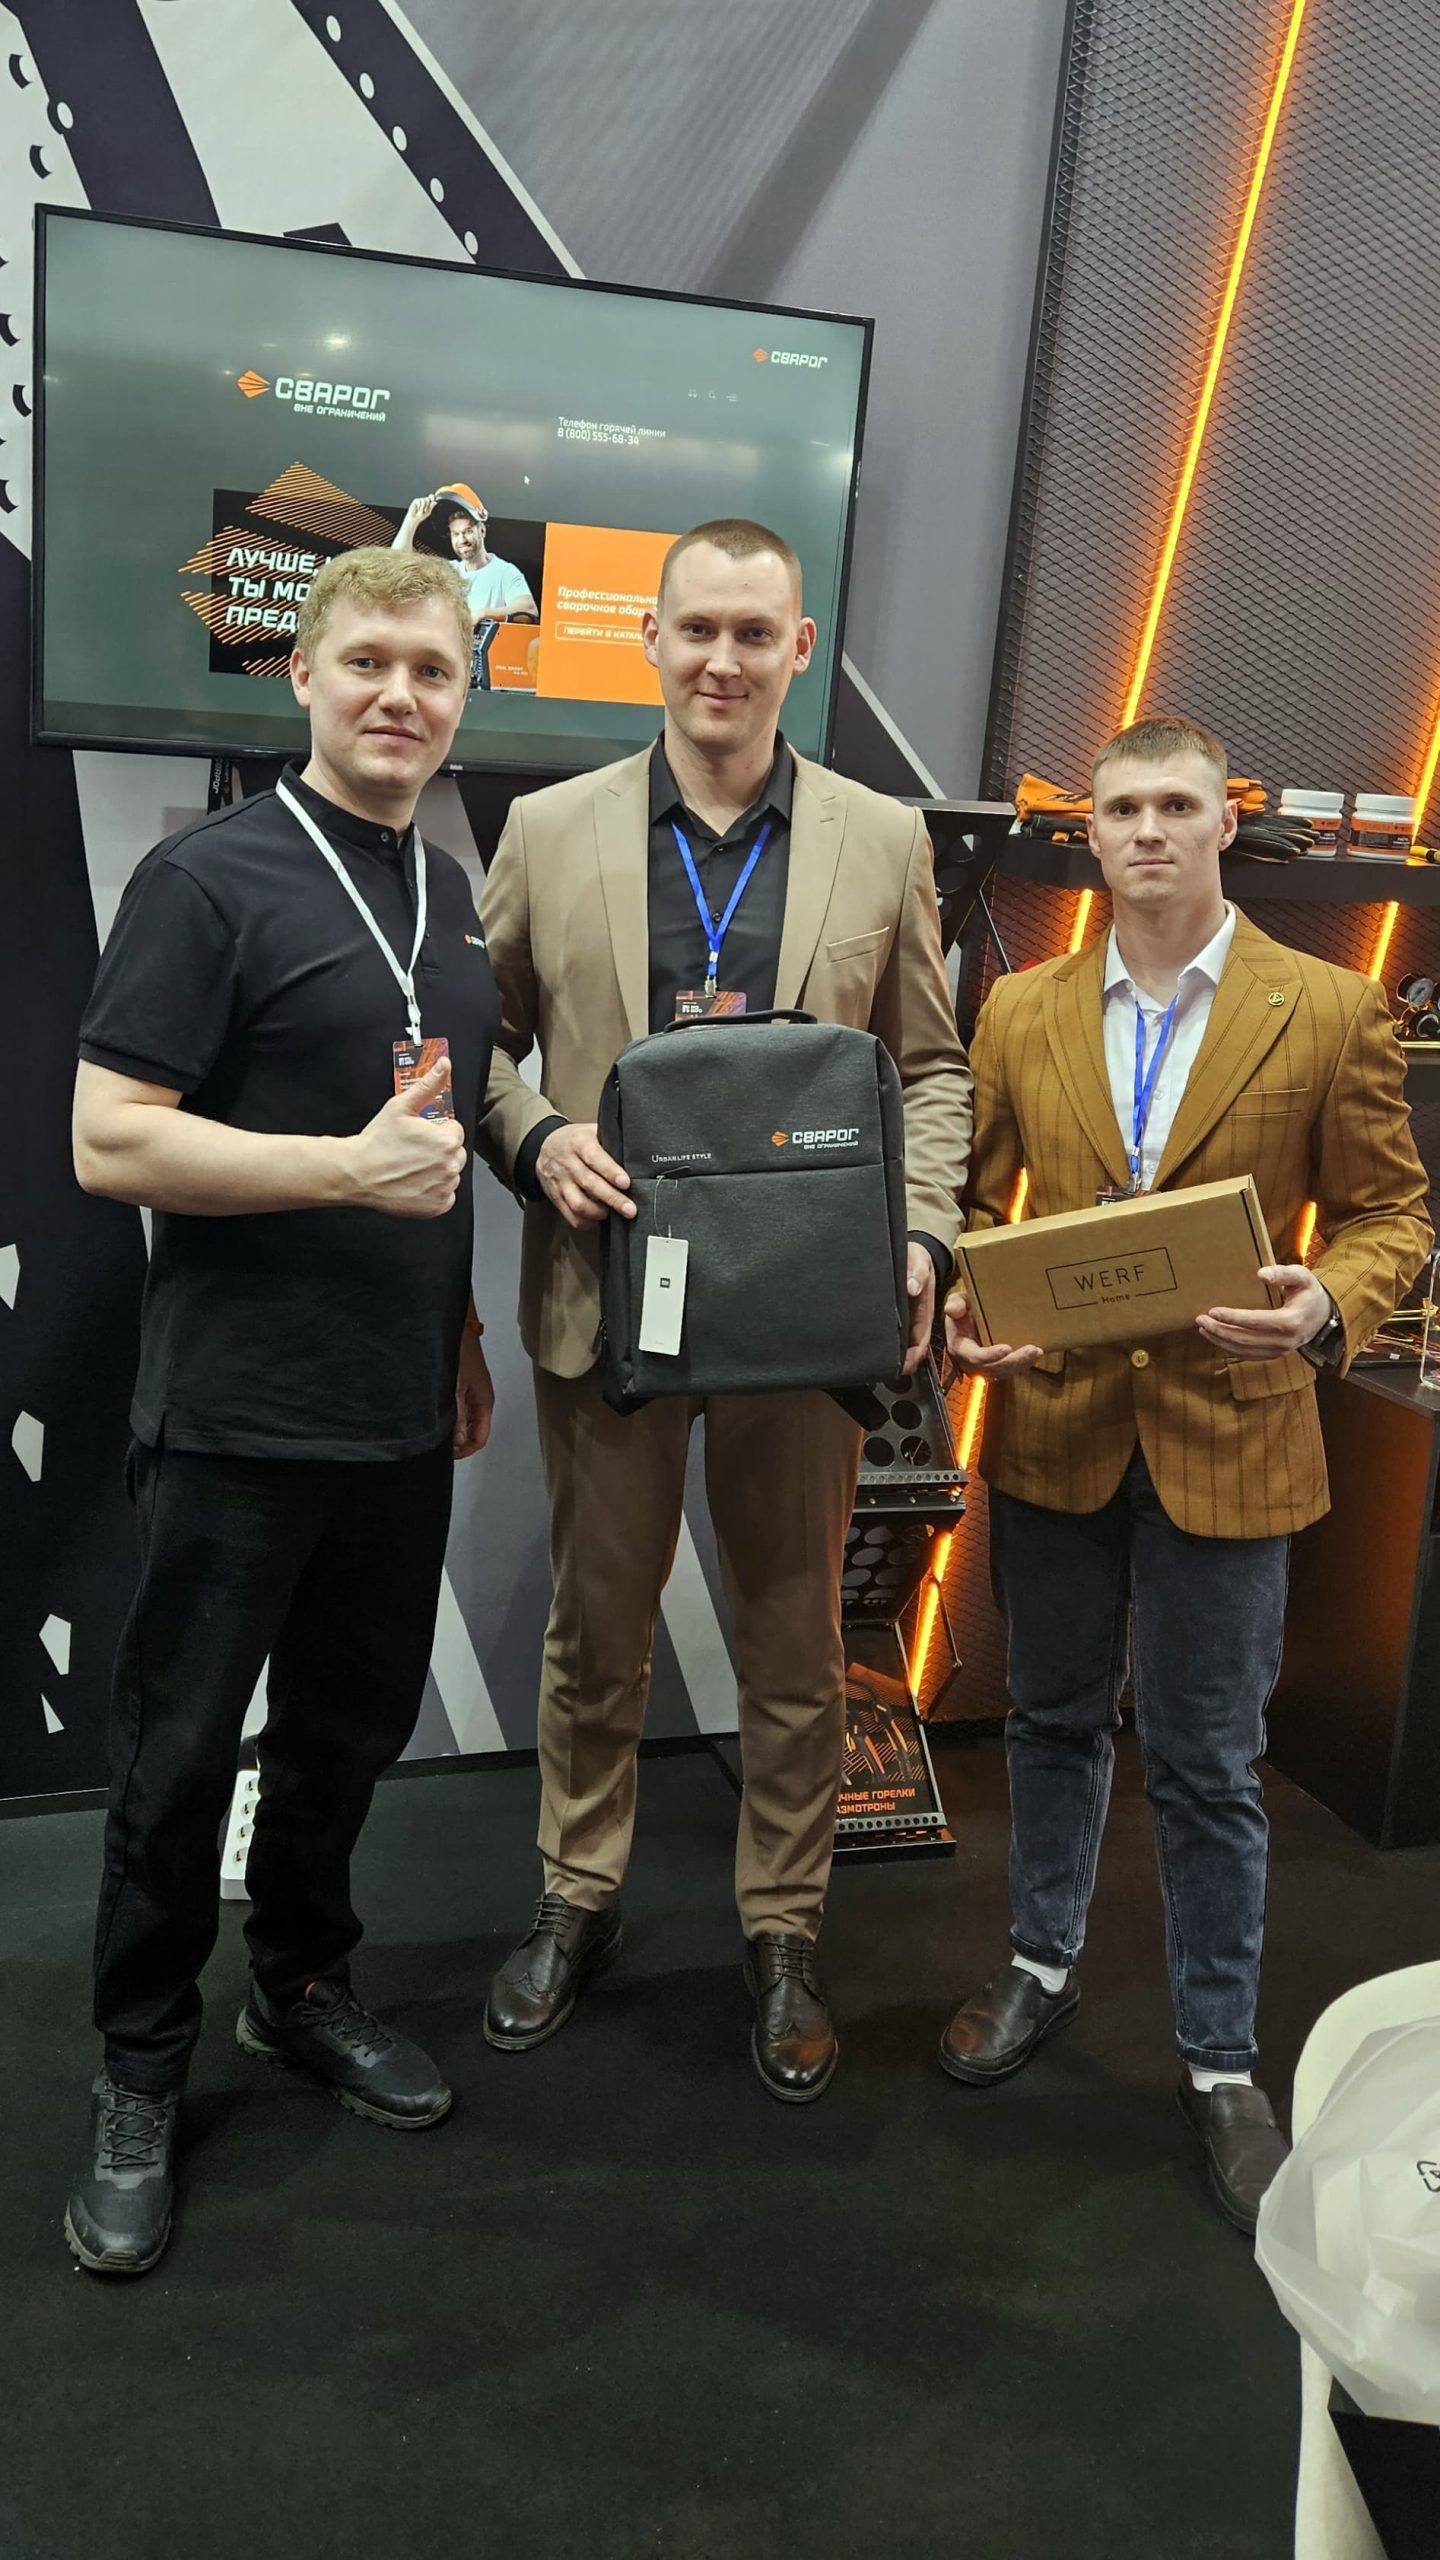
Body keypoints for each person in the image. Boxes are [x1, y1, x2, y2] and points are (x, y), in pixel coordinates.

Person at [475, 517, 972, 2102]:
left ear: (799, 650)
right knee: (594, 1634)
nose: (723, 661)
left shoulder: (880, 837)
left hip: (802, 1314)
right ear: (651, 637)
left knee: (795, 1640)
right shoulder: (547, 828)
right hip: (608, 1296)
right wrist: (534, 1137)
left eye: (756, 634)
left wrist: (920, 1232)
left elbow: (934, 1067)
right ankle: (578, 1894)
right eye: (698, 628)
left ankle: (783, 1927)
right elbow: (470, 1042)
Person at [64, 546, 500, 2277]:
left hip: (396, 1411)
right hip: (239, 1418)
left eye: (433, 669)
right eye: (369, 661)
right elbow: (109, 1139)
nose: (402, 694)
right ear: (303, 677)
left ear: (464, 695)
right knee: (178, 1761)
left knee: (346, 1736)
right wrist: (338, 1172)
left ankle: (300, 1987)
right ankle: (139, 2065)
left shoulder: (448, 896)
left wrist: (460, 1334)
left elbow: (434, 1137)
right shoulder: (207, 878)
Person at [939, 713, 1432, 2231]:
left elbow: (1393, 1216)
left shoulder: (1329, 1006)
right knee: (1051, 1720)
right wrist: (968, 1304)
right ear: (1087, 832)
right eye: (1121, 809)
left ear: (1228, 823)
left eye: (1175, 805)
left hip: (1236, 1427)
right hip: (1060, 1426)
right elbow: (972, 1204)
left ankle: (1221, 2060)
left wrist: (1328, 1301)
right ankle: (1039, 1968)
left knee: (1213, 1763)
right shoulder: (1020, 1008)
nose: (1147, 830)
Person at [392, 484, 539, 623]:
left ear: (482, 530)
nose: (462, 540)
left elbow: (528, 610)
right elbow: (396, 564)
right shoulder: (447, 571)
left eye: (467, 531)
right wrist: (411, 520)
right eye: (456, 534)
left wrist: (483, 614)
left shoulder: (505, 572)